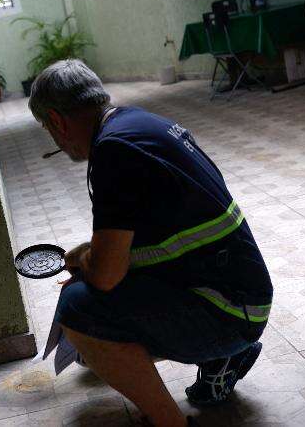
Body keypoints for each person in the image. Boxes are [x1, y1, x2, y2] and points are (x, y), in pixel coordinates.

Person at [28, 60, 273, 427]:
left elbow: (107, 276)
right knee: (93, 296)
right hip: (242, 294)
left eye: (49, 129)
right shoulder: (139, 123)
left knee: (78, 310)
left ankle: (170, 422)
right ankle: (220, 357)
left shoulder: (112, 152)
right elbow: (157, 234)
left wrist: (89, 261)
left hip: (230, 310)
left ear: (57, 121)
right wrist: (92, 257)